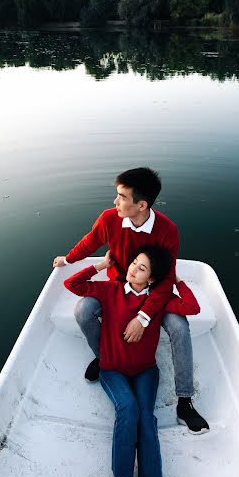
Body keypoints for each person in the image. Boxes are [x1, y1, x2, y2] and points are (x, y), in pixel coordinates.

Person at [64, 246, 201, 477]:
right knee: (128, 410)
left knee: (146, 422)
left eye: (142, 268)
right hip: (112, 371)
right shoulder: (111, 290)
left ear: (152, 278)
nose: (134, 269)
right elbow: (72, 285)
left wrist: (177, 280)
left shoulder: (157, 300)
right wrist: (99, 265)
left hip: (144, 374)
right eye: (135, 264)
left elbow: (191, 307)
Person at [53, 167, 209, 435]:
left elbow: (167, 277)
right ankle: (105, 359)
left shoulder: (167, 230)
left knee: (180, 328)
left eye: (121, 197)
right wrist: (67, 259)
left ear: (142, 205)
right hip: (117, 287)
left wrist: (143, 317)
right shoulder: (109, 219)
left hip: (155, 291)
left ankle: (184, 401)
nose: (115, 202)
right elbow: (89, 243)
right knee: (83, 310)